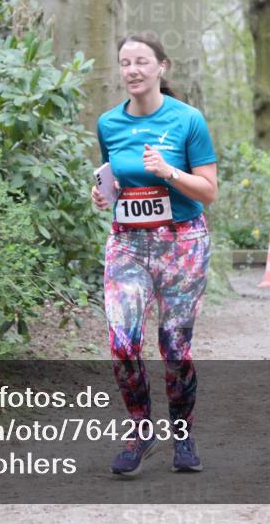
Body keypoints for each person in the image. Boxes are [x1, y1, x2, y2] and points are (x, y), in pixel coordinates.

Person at [91, 33, 218, 476]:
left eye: (142, 61)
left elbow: (209, 190)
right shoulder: (108, 123)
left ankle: (182, 433)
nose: (132, 70)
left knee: (175, 347)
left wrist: (169, 172)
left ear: (161, 67)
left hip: (182, 243)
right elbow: (114, 176)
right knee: (122, 342)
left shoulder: (188, 120)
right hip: (128, 242)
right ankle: (140, 429)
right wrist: (104, 193)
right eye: (125, 62)